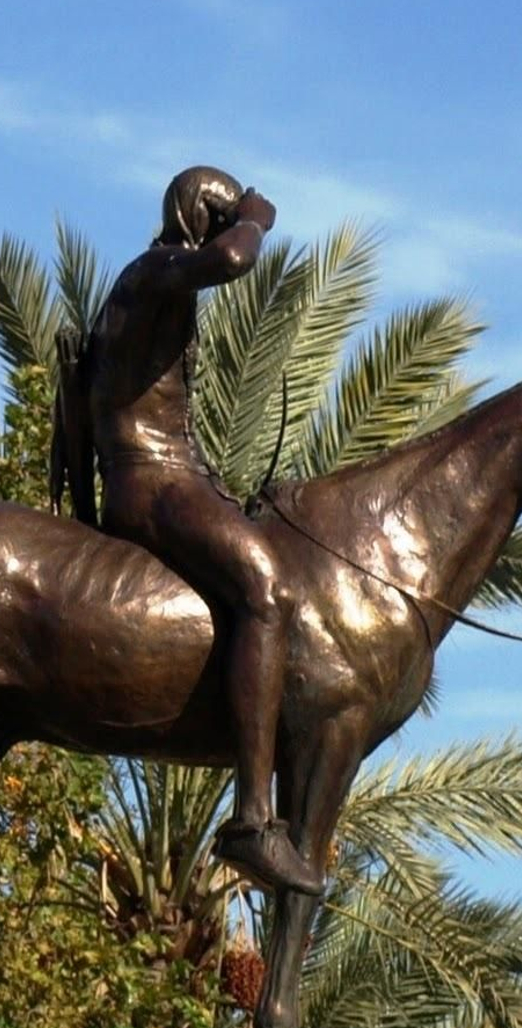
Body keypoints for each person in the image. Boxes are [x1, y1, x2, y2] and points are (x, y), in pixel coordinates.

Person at [51, 166, 325, 896]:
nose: (230, 227)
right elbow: (233, 260)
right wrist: (258, 216)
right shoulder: (155, 272)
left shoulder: (148, 285)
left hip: (171, 478)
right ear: (199, 216)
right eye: (221, 214)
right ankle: (252, 821)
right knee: (264, 587)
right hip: (154, 482)